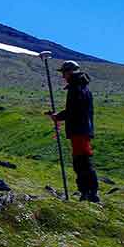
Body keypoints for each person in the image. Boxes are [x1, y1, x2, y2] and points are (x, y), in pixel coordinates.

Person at [45, 60, 100, 202]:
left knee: (81, 161)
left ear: (70, 72)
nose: (63, 76)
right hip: (82, 129)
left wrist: (58, 116)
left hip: (79, 130)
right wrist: (59, 116)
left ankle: (89, 193)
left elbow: (74, 110)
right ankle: (88, 192)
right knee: (82, 160)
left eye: (64, 73)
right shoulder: (81, 87)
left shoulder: (76, 88)